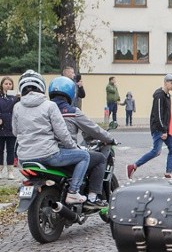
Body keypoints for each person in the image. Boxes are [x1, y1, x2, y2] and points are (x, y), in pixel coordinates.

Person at [12, 70, 90, 205]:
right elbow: (62, 133)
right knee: (84, 156)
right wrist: (73, 147)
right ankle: (73, 192)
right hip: (48, 155)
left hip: (24, 158)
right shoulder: (50, 106)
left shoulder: (17, 107)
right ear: (42, 86)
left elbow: (15, 132)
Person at [48, 76, 114, 207]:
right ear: (71, 93)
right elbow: (93, 129)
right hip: (64, 154)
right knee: (99, 158)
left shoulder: (45, 109)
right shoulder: (73, 112)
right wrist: (110, 138)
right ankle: (92, 197)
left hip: (46, 152)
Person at [127, 74, 172, 179]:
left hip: (166, 129)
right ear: (165, 82)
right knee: (156, 151)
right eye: (171, 83)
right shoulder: (159, 95)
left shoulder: (167, 96)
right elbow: (158, 114)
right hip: (159, 129)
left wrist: (169, 128)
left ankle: (168, 172)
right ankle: (133, 166)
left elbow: (167, 114)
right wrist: (163, 130)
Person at [0, 76, 18, 179]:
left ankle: (10, 171)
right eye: (6, 84)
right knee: (0, 150)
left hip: (11, 127)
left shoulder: (15, 97)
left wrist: (20, 98)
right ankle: (0, 169)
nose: (8, 86)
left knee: (11, 150)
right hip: (1, 127)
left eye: (10, 84)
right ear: (2, 85)